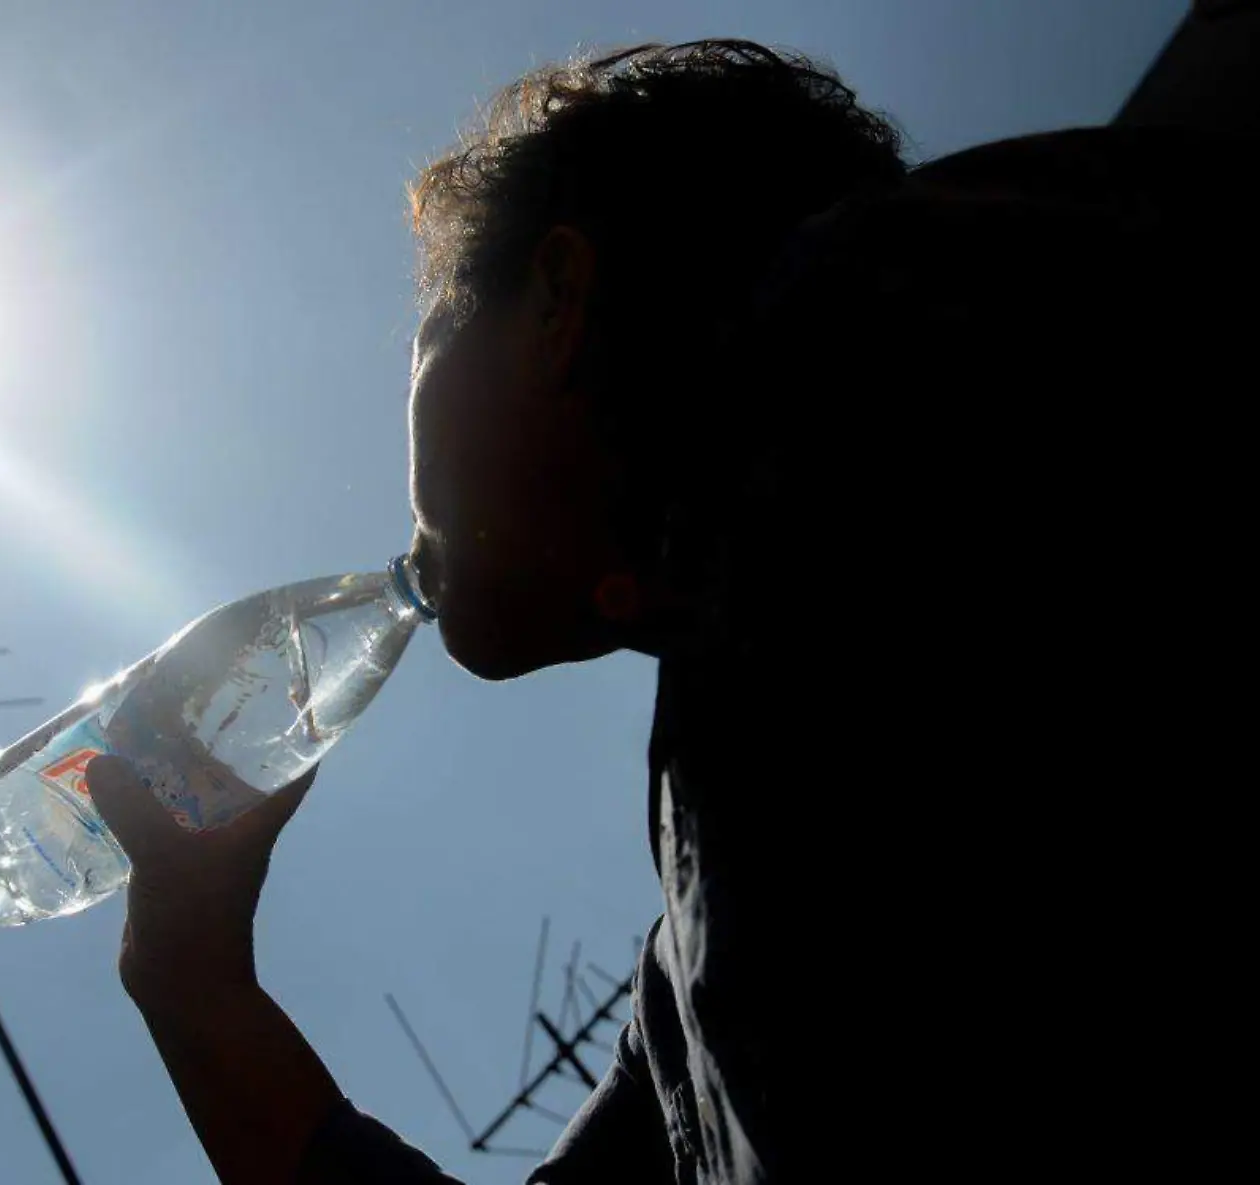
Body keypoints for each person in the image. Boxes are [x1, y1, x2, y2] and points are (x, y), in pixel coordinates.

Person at [86, 18, 1255, 1184]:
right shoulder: (683, 983)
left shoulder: (934, 321)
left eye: (437, 322)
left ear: (555, 295)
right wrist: (189, 980)